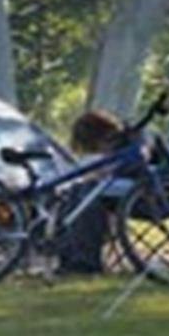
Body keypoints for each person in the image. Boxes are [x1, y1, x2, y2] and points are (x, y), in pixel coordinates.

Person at [54, 108, 124, 275]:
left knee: (86, 197)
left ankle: (85, 260)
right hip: (106, 190)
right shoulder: (99, 157)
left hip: (122, 192)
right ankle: (69, 256)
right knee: (72, 196)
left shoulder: (124, 151)